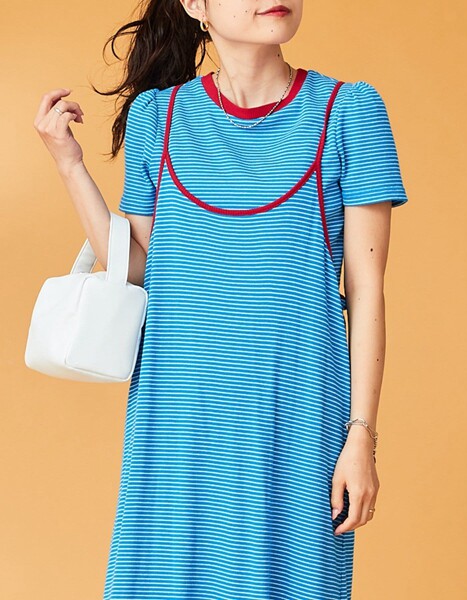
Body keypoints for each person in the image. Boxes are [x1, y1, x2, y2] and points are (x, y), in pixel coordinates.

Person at [33, 1, 409, 598]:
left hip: (293, 417)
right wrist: (70, 164)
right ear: (195, 5)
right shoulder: (158, 116)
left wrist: (361, 435)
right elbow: (138, 269)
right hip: (176, 418)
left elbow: (366, 292)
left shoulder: (349, 112)